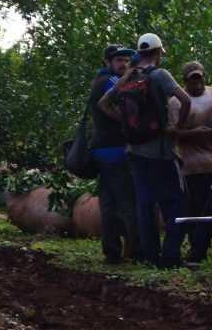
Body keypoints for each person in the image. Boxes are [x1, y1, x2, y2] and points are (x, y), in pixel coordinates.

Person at [98, 33, 193, 268]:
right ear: (159, 52)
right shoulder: (160, 75)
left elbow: (103, 103)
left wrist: (125, 123)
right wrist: (177, 127)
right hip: (161, 152)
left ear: (138, 54)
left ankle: (150, 256)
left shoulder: (128, 77)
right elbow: (186, 100)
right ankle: (171, 256)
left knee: (145, 204)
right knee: (178, 202)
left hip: (135, 152)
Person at [170, 60, 212, 263]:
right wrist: (193, 133)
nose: (197, 85)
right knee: (196, 208)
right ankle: (198, 249)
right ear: (184, 82)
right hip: (191, 165)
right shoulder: (175, 102)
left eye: (200, 79)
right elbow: (172, 133)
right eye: (192, 81)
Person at [88, 44, 142, 264]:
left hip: (102, 151)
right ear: (107, 62)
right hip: (117, 152)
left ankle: (111, 251)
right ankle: (137, 251)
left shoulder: (97, 81)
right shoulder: (110, 81)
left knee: (108, 205)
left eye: (126, 61)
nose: (124, 64)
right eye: (119, 60)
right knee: (129, 202)